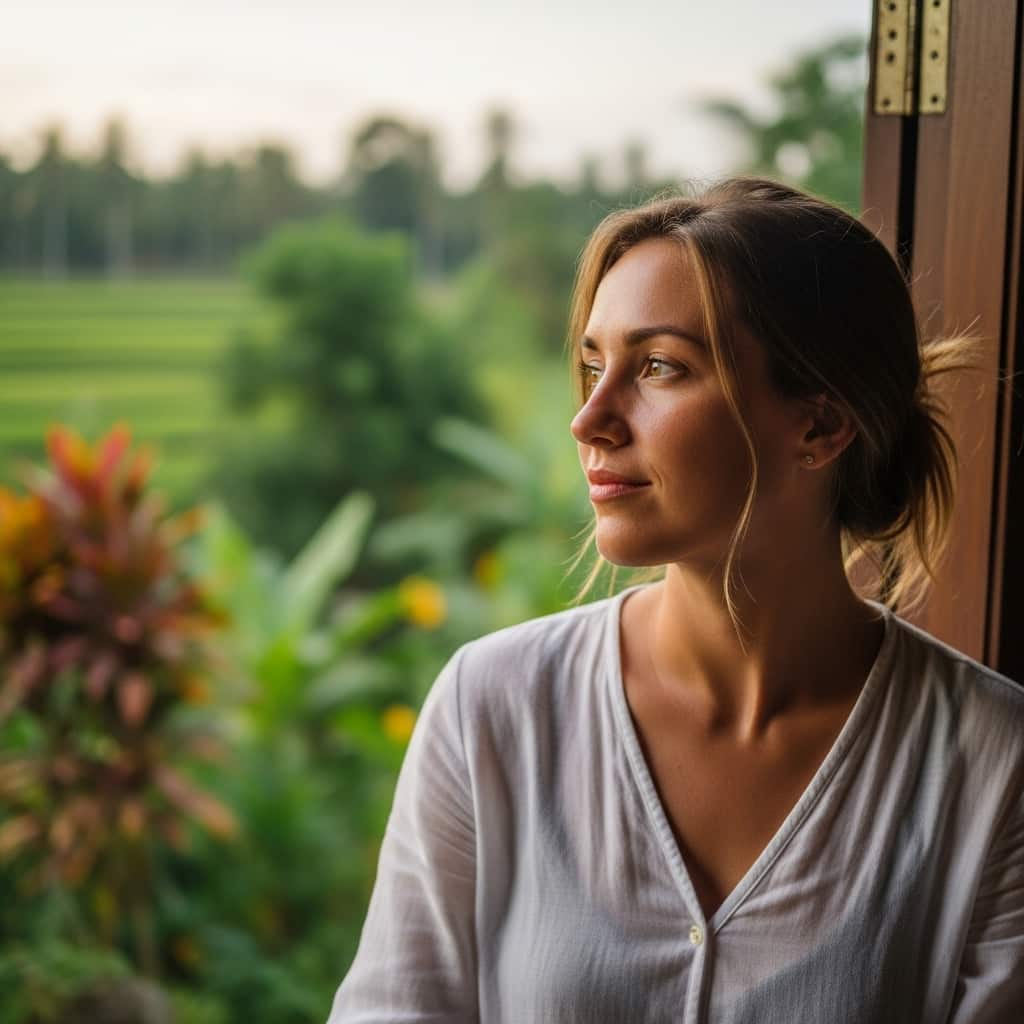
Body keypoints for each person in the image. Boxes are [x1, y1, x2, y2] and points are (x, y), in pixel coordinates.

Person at [326, 178, 1024, 1023]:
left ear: (819, 426)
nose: (589, 419)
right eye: (593, 366)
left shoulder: (993, 767)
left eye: (659, 367)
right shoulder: (493, 708)